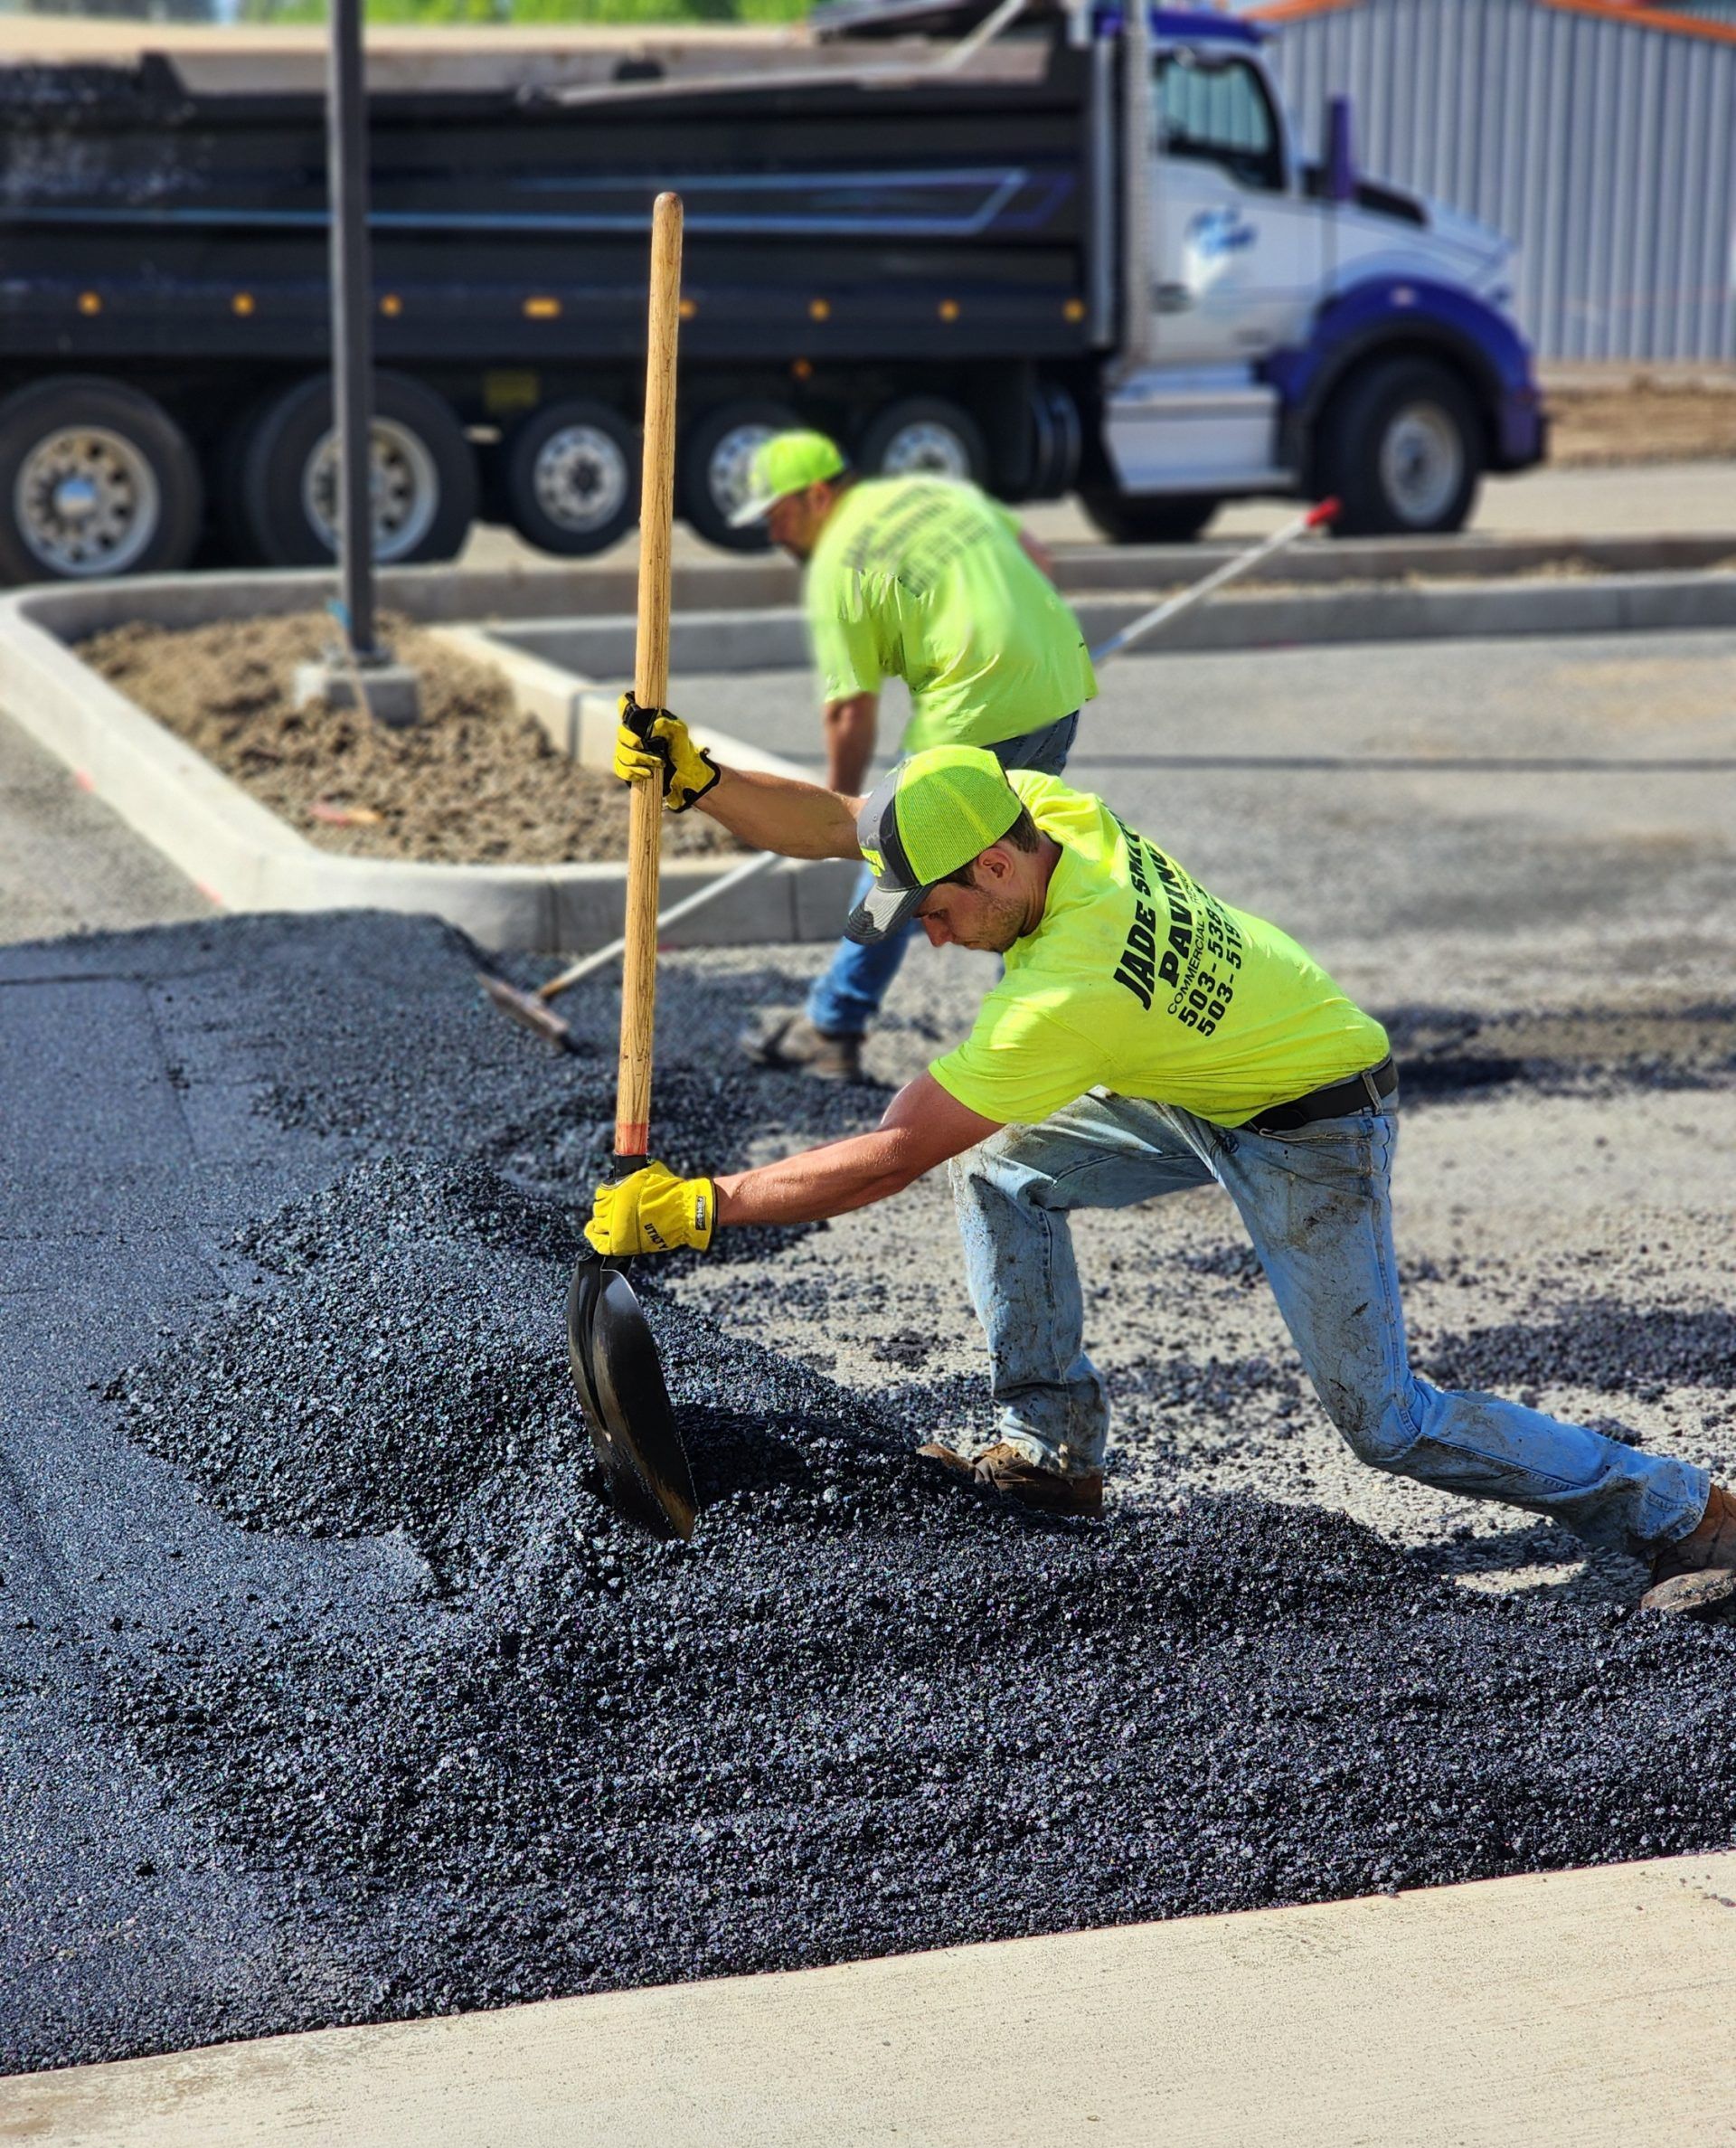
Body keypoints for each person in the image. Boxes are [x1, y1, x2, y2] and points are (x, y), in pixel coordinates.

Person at [589, 711, 1736, 1620]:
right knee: (1007, 1178)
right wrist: (703, 781)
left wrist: (704, 1204)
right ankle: (1050, 1456)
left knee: (1386, 1422)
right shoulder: (1038, 807)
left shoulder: (1066, 993)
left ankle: (1684, 1511)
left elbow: (893, 1150)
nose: (928, 937)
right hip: (1208, 1078)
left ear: (993, 869)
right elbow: (850, 817)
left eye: (935, 913)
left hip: (1315, 1124)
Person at [729, 429, 1097, 1083]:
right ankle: (1040, 1032)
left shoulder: (841, 562)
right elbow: (1037, 558)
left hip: (977, 706)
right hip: (1058, 685)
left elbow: (848, 713)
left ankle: (833, 1024)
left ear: (817, 495)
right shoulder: (929, 493)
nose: (775, 536)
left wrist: (834, 823)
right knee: (1016, 861)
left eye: (777, 518)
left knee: (892, 859)